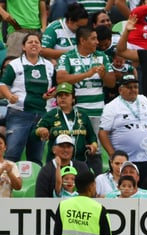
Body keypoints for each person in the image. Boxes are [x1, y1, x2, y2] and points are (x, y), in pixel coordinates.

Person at [57, 25, 116, 175]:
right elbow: (61, 78)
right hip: (77, 112)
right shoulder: (68, 57)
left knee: (95, 150)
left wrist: (103, 75)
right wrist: (87, 74)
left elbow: (111, 83)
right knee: (75, 147)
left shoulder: (102, 57)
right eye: (93, 39)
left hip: (98, 111)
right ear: (82, 41)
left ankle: (95, 182)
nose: (97, 42)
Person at [0, 32, 56, 166]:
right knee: (12, 153)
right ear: (23, 47)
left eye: (37, 42)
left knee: (36, 156)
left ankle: (35, 185)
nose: (34, 44)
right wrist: (9, 96)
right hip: (19, 113)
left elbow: (56, 87)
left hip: (42, 116)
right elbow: (2, 84)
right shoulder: (14, 64)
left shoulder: (49, 66)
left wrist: (51, 94)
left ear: (41, 47)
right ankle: (6, 183)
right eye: (30, 42)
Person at [99, 74, 147, 182]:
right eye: (129, 87)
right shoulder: (111, 106)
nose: (133, 90)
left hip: (146, 157)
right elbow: (102, 133)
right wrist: (113, 156)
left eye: (135, 87)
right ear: (120, 90)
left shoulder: (144, 100)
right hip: (125, 160)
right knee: (127, 191)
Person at [34, 82, 98, 165]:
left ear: (73, 98)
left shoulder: (83, 115)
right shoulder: (51, 115)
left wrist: (94, 146)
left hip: (79, 162)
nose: (63, 97)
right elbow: (33, 134)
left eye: (66, 95)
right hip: (56, 163)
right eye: (60, 95)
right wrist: (39, 131)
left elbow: (92, 136)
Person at [53, 170, 111, 235]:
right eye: (95, 184)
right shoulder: (99, 209)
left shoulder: (63, 205)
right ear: (90, 187)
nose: (95, 187)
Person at [0, 133, 22, 197]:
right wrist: (1, 170)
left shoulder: (12, 165)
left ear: (5, 147)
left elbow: (18, 187)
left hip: (7, 204)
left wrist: (10, 173)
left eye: (0, 143)